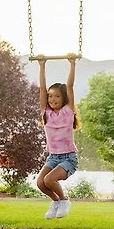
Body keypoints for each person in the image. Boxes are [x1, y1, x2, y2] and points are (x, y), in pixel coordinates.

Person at [37, 54, 79, 219]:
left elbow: (70, 86)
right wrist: (42, 65)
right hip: (53, 157)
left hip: (68, 158)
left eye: (57, 96)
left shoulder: (68, 111)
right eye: (50, 96)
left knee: (49, 180)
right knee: (41, 183)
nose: (52, 99)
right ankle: (56, 201)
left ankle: (64, 200)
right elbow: (42, 88)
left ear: (64, 99)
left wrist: (72, 64)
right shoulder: (46, 113)